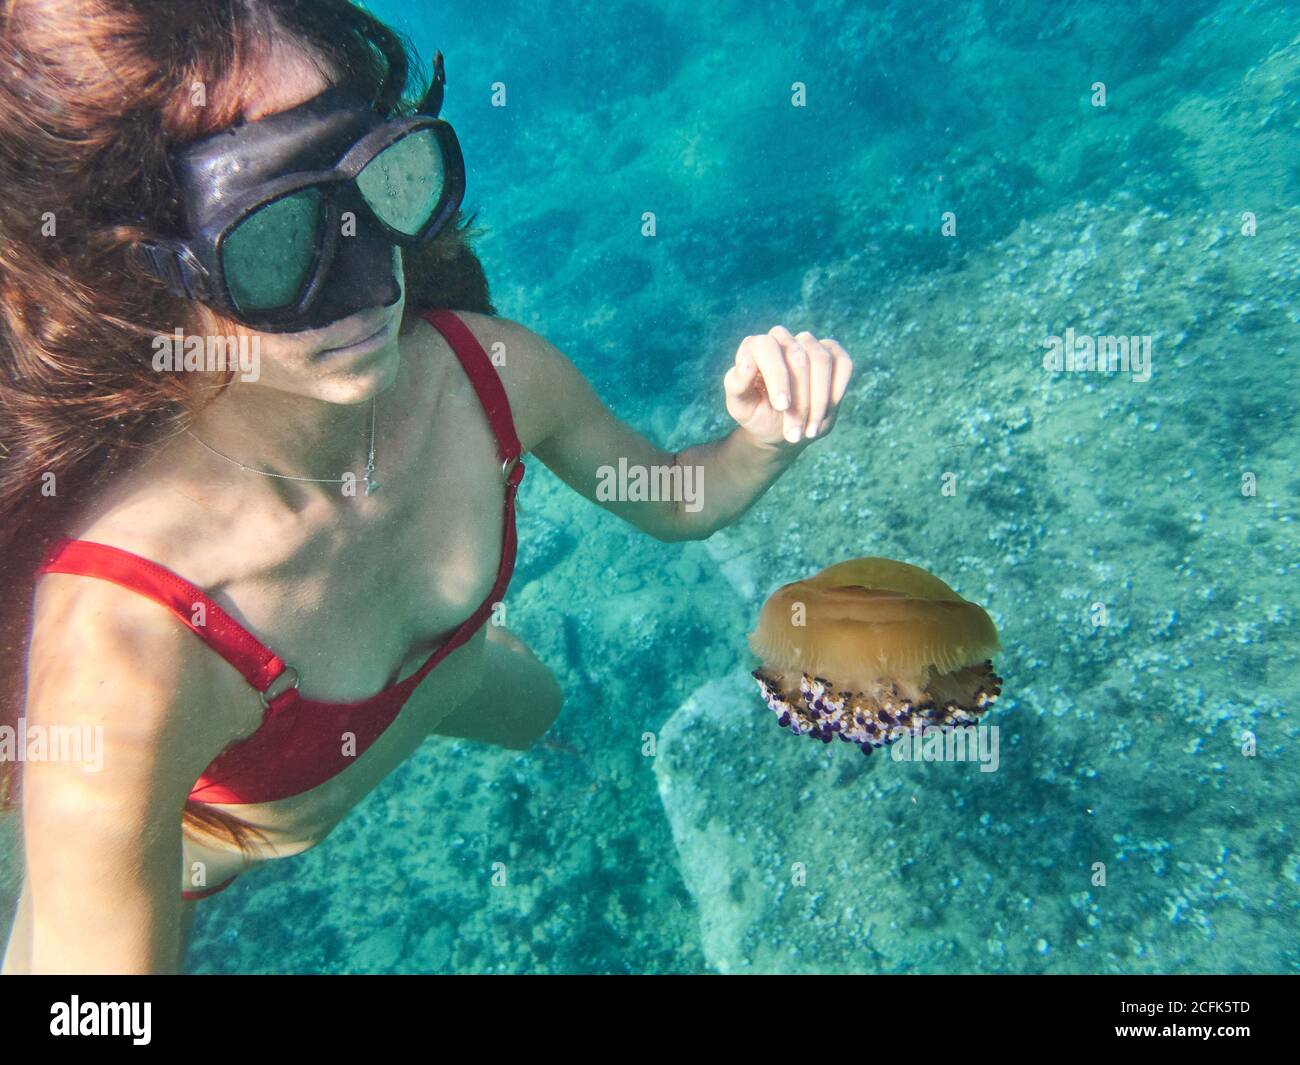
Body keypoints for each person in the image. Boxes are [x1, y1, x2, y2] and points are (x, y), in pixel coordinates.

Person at [0, 0, 852, 974]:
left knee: (554, 713)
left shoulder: (495, 373)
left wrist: (764, 438)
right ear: (142, 281)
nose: (371, 281)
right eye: (274, 240)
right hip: (217, 844)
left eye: (384, 183)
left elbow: (675, 501)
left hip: (455, 676)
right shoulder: (130, 650)